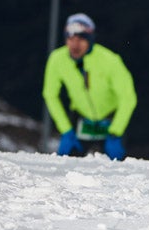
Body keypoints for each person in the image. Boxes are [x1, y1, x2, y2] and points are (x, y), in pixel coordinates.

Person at [43, 13, 137, 161]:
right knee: (65, 166)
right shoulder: (57, 59)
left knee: (118, 168)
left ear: (90, 39)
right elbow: (50, 94)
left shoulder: (110, 60)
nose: (75, 45)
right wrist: (66, 129)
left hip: (110, 120)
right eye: (70, 38)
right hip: (80, 119)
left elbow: (128, 97)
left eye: (80, 39)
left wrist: (116, 131)